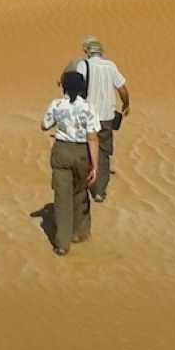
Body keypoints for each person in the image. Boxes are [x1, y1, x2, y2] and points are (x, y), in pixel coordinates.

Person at [41, 69, 99, 255]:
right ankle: (79, 232)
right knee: (80, 191)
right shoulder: (88, 108)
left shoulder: (56, 104)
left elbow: (44, 125)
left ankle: (62, 243)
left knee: (62, 197)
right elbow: (92, 138)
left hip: (61, 150)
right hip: (81, 152)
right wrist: (95, 166)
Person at [70, 35, 130, 202]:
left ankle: (82, 185)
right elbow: (122, 89)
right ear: (101, 52)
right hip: (106, 116)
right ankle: (99, 191)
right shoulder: (111, 66)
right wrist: (126, 104)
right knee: (103, 152)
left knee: (84, 148)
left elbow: (76, 85)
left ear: (88, 52)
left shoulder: (83, 65)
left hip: (87, 115)